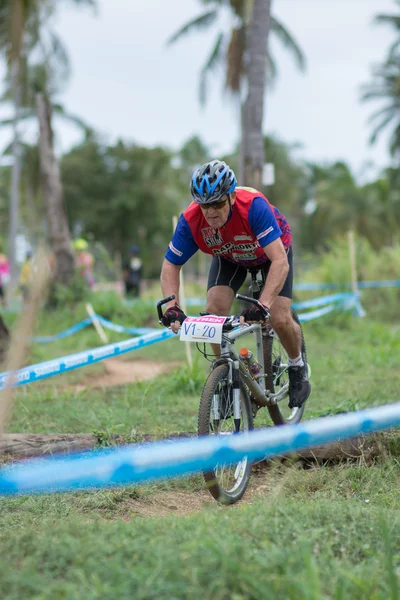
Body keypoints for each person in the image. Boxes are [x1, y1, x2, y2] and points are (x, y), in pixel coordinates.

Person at [160, 159, 310, 409]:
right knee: (214, 310)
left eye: (217, 203)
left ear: (231, 197)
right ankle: (224, 375)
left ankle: (297, 365)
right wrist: (171, 307)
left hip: (271, 254)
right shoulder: (191, 220)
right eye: (205, 205)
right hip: (230, 255)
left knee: (278, 316)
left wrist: (263, 303)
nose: (210, 212)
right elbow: (170, 265)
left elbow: (279, 262)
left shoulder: (253, 207)